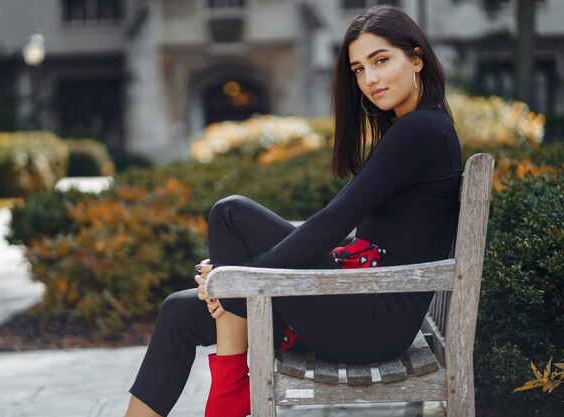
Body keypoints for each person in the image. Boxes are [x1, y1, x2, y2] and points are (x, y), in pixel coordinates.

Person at [124, 4, 462, 417]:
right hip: (357, 301)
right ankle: (218, 388)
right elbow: (345, 229)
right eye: (358, 69)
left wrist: (243, 278)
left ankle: (230, 386)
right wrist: (242, 276)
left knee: (230, 213)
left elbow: (333, 221)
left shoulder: (419, 130)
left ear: (416, 58)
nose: (370, 79)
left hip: (372, 322)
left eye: (381, 61)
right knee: (179, 311)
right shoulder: (417, 128)